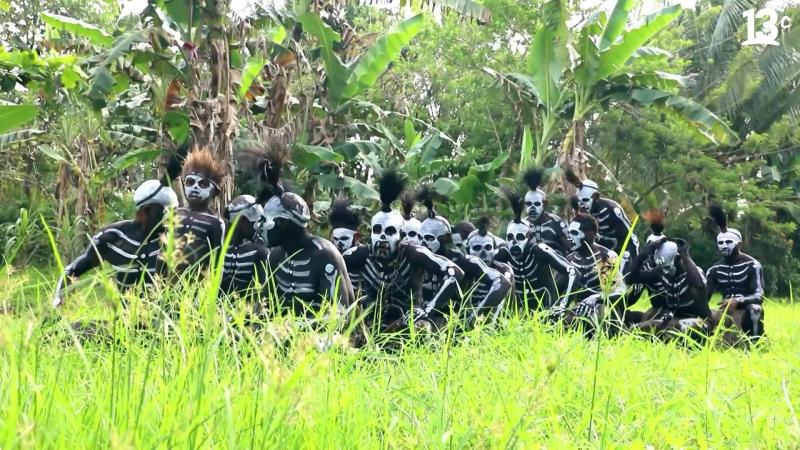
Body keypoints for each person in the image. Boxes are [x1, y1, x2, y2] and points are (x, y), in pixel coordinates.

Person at [342, 171, 463, 332]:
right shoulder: (359, 255)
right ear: (370, 233)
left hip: (410, 324)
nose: (382, 238)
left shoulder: (413, 254)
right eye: (377, 231)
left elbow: (455, 272)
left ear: (401, 235)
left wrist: (428, 310)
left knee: (422, 329)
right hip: (368, 326)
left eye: (390, 231)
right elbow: (331, 273)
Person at [253, 147, 354, 317]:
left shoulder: (325, 256)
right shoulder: (276, 257)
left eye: (264, 221)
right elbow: (264, 307)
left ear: (282, 224)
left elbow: (339, 316)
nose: (258, 226)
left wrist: (297, 330)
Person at [52, 177, 179, 307]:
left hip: (166, 323)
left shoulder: (176, 242)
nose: (171, 218)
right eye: (165, 212)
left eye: (174, 212)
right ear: (146, 210)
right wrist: (58, 304)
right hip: (123, 321)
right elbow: (72, 270)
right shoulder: (112, 237)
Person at [416, 187, 510, 328]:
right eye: (420, 238)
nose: (423, 243)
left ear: (446, 238)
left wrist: (477, 314)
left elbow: (502, 282)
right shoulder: (416, 259)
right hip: (421, 323)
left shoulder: (463, 261)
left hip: (456, 326)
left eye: (429, 238)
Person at [495, 188, 578, 311]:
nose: (514, 243)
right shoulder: (504, 253)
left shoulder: (543, 244)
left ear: (529, 237)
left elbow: (572, 267)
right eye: (510, 238)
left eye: (519, 237)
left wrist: (562, 304)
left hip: (549, 296)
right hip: (518, 309)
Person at [554, 213, 628, 335]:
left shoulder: (605, 257)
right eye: (569, 233)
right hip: (578, 310)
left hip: (603, 309)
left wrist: (598, 297)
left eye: (574, 233)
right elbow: (556, 292)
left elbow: (619, 290)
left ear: (590, 234)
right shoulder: (570, 260)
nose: (569, 238)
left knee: (598, 313)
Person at [627, 234, 710, 339]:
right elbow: (631, 278)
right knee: (635, 329)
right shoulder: (662, 271)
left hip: (699, 321)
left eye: (667, 266)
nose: (665, 271)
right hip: (672, 320)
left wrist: (685, 255)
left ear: (677, 258)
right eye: (663, 267)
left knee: (683, 327)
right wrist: (643, 254)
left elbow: (699, 286)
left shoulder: (694, 273)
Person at [706, 204, 765, 343]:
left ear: (739, 244)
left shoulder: (752, 265)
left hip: (746, 310)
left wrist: (738, 301)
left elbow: (759, 295)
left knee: (755, 309)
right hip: (724, 312)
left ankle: (755, 343)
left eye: (728, 242)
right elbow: (704, 299)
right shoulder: (714, 270)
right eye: (720, 243)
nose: (724, 246)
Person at [174, 149, 226, 270]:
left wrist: (213, 288)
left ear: (215, 192)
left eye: (203, 184)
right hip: (168, 284)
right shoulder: (174, 214)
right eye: (190, 182)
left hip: (198, 285)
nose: (195, 188)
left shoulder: (215, 222)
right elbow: (163, 252)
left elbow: (218, 263)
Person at [219, 195, 270, 298]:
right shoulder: (217, 243)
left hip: (243, 311)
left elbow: (261, 291)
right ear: (242, 221)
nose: (257, 226)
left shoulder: (259, 250)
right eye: (254, 222)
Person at [522, 167, 569, 255]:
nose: (532, 209)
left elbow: (570, 249)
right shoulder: (522, 226)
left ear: (545, 204)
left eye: (536, 204)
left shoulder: (557, 223)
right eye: (528, 204)